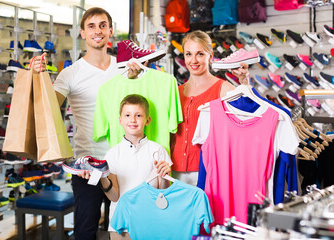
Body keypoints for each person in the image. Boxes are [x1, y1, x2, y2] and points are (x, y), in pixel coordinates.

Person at [31, 7, 144, 240]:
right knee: (85, 232)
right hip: (87, 165)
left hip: (125, 161)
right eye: (91, 26)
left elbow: (138, 108)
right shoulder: (70, 74)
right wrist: (37, 77)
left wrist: (137, 80)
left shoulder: (126, 68)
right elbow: (47, 110)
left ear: (110, 31)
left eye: (102, 25)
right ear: (82, 33)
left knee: (128, 231)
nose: (97, 31)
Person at [80, 94, 172, 240]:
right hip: (121, 225)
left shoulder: (158, 151)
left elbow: (163, 194)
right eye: (128, 115)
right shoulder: (112, 154)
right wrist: (102, 177)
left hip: (152, 222)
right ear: (120, 120)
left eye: (138, 115)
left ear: (147, 120)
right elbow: (114, 196)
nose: (133, 120)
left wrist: (164, 175)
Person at [170, 30, 249, 185]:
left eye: (200, 54)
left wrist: (244, 83)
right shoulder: (176, 92)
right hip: (175, 171)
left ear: (210, 56)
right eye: (188, 54)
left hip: (208, 169)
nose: (193, 60)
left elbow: (247, 115)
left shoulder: (223, 88)